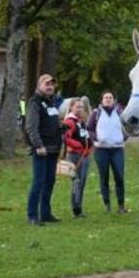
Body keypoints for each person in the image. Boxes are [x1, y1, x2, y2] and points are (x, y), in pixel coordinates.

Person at [25, 74, 63, 226]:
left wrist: (61, 126)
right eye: (46, 84)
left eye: (52, 84)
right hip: (42, 149)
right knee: (38, 182)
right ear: (39, 85)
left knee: (50, 181)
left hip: (53, 148)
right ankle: (32, 215)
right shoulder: (35, 102)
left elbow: (50, 122)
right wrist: (38, 145)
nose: (50, 87)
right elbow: (31, 127)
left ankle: (45, 213)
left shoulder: (51, 102)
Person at [87, 90, 129, 214]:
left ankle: (121, 205)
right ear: (102, 100)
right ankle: (107, 205)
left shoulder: (120, 112)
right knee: (104, 177)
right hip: (101, 150)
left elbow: (127, 126)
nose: (108, 99)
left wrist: (124, 137)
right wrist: (95, 137)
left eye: (110, 97)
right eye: (106, 97)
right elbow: (89, 128)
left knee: (119, 177)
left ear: (114, 100)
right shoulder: (96, 113)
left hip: (117, 149)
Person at [63, 98, 92, 218]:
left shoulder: (81, 121)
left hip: (85, 155)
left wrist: (89, 147)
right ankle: (76, 209)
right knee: (77, 182)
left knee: (82, 182)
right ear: (71, 108)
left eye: (82, 107)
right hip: (75, 156)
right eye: (77, 107)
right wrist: (79, 146)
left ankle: (79, 207)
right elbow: (66, 137)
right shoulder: (70, 121)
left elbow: (86, 137)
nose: (80, 109)